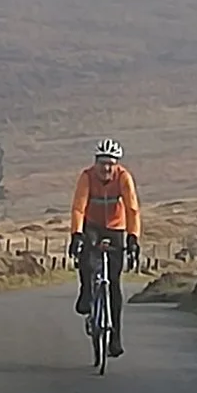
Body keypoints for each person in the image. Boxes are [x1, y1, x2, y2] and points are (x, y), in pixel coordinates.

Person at [68, 137, 142, 357]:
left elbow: (132, 209)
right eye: (102, 163)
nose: (106, 168)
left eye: (111, 163)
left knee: (114, 284)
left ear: (117, 164)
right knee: (86, 258)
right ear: (95, 162)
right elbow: (78, 207)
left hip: (116, 227)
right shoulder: (87, 177)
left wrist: (133, 237)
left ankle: (115, 338)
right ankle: (86, 292)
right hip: (92, 225)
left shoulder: (123, 177)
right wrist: (76, 234)